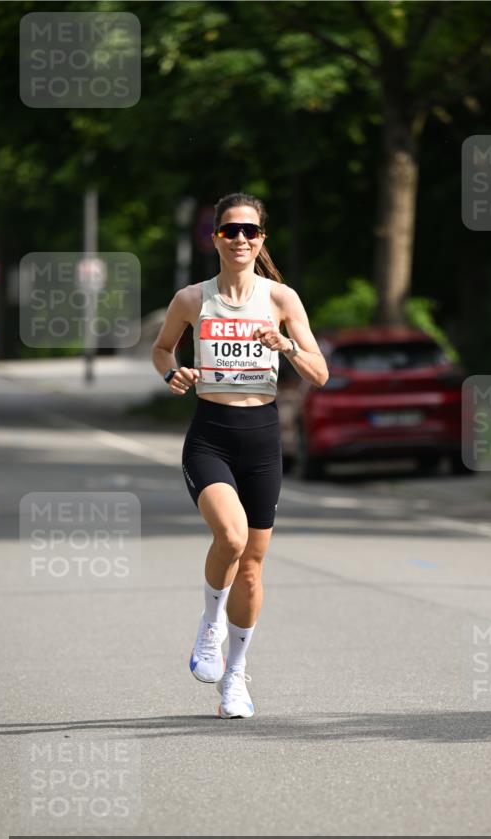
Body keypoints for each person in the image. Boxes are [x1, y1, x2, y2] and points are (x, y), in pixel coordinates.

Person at [152, 192, 328, 719]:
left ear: (261, 239)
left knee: (251, 567)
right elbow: (163, 349)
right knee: (229, 537)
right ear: (216, 239)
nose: (241, 239)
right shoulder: (191, 299)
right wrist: (173, 373)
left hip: (262, 440)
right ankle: (210, 629)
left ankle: (235, 677)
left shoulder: (281, 299)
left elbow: (320, 374)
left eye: (250, 231)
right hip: (210, 436)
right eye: (231, 230)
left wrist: (286, 345)